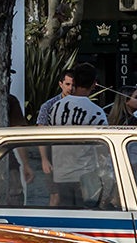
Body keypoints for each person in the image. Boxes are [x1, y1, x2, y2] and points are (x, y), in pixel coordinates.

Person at [45, 62, 110, 207]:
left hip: (60, 172)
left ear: (73, 82)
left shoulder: (55, 108)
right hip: (86, 173)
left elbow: (49, 138)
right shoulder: (96, 111)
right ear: (94, 84)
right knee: (86, 213)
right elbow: (103, 147)